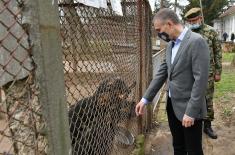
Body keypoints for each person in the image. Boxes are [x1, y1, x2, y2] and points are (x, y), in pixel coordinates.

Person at [135, 8, 209, 155]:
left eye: (158, 29)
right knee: (178, 146)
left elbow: (200, 81)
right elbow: (161, 74)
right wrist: (145, 99)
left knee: (193, 150)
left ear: (169, 24)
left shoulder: (196, 42)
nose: (158, 34)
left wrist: (191, 112)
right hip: (172, 106)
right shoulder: (171, 45)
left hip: (189, 109)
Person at [185, 7, 222, 139]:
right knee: (191, 97)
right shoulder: (187, 33)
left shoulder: (211, 32)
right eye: (190, 21)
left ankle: (207, 126)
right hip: (190, 73)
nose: (192, 23)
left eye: (194, 20)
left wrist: (218, 71)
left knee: (207, 99)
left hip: (208, 73)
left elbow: (218, 52)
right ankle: (193, 121)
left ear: (200, 18)